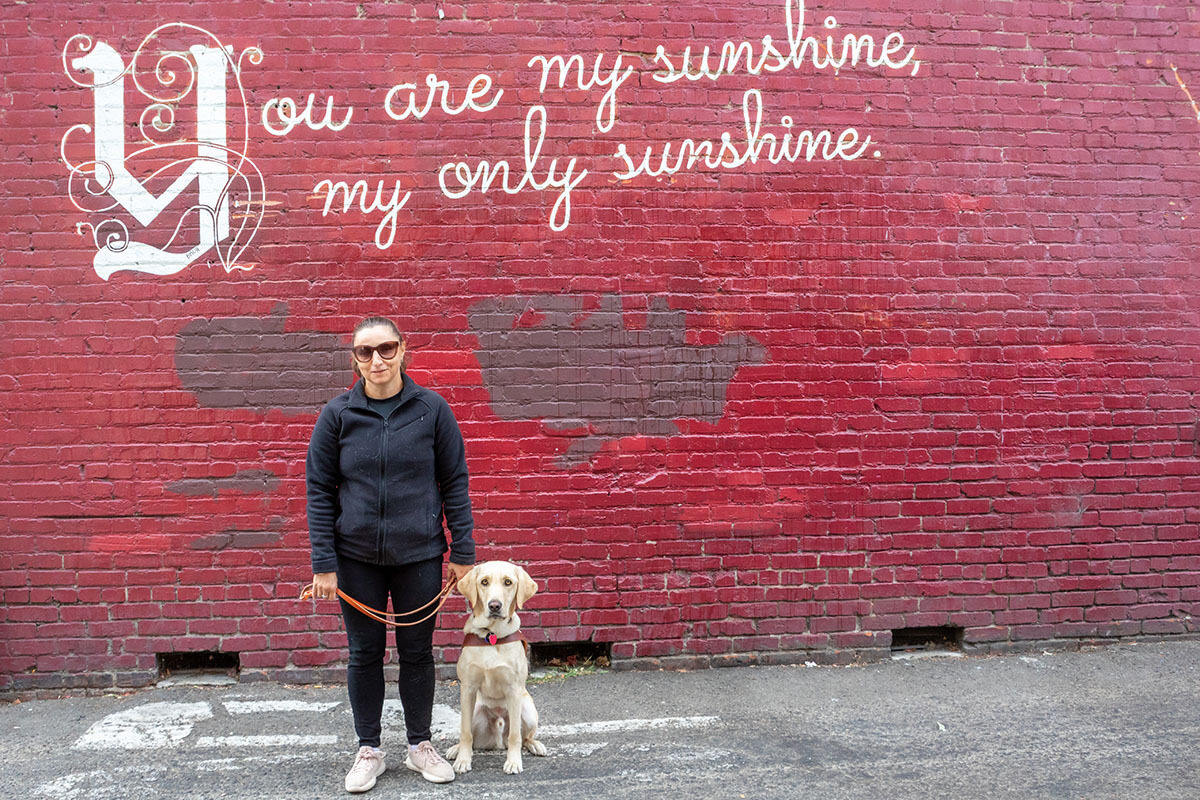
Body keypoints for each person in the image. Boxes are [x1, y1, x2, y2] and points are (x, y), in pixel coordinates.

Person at [306, 316, 476, 792]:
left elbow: (454, 483)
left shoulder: (432, 410)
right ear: (354, 358)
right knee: (364, 653)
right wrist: (324, 563)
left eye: (385, 349)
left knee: (417, 652)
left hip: (419, 555)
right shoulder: (337, 415)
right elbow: (319, 490)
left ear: (403, 349)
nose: (376, 359)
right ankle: (369, 750)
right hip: (355, 557)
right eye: (365, 352)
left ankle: (420, 744)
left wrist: (463, 551)